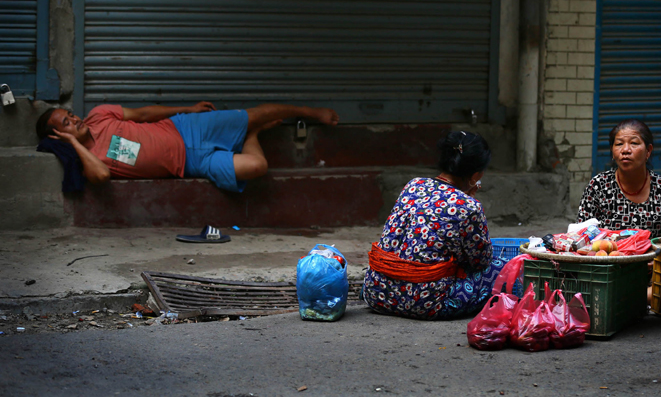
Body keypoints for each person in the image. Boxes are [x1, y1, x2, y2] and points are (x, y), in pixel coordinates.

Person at [35, 101, 339, 192]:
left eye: (70, 115)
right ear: (56, 137)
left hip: (186, 128)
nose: (74, 120)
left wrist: (188, 110)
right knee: (257, 167)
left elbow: (143, 114)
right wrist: (75, 143)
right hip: (192, 164)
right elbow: (100, 177)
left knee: (256, 113)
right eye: (66, 124)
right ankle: (251, 135)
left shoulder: (100, 114)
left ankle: (310, 111)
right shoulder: (90, 159)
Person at [363, 131, 504, 320]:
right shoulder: (469, 206)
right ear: (476, 175)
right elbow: (480, 261)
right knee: (503, 268)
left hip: (377, 293)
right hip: (425, 302)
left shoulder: (413, 185)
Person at [576, 118, 661, 238]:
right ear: (612, 152)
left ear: (648, 151)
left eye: (634, 143)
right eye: (619, 144)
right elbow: (581, 236)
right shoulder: (598, 186)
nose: (625, 150)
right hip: (607, 256)